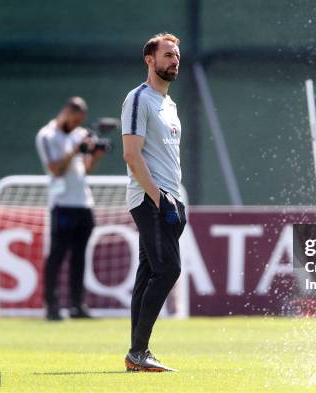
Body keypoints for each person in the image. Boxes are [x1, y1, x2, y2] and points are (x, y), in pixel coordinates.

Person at [121, 33, 187, 372]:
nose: (174, 60)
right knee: (168, 269)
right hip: (151, 199)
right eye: (167, 55)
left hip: (170, 199)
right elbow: (131, 155)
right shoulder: (139, 99)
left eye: (176, 55)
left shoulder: (170, 105)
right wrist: (160, 199)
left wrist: (174, 199)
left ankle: (136, 354)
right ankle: (138, 351)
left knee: (148, 273)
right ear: (150, 59)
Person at [35, 97, 106, 321]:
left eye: (80, 121)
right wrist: (74, 150)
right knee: (57, 254)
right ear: (66, 112)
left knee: (79, 257)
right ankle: (52, 305)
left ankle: (77, 305)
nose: (77, 125)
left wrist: (95, 156)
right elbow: (56, 170)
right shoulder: (47, 136)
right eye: (74, 120)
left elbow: (84, 170)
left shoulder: (79, 134)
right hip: (62, 203)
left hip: (83, 202)